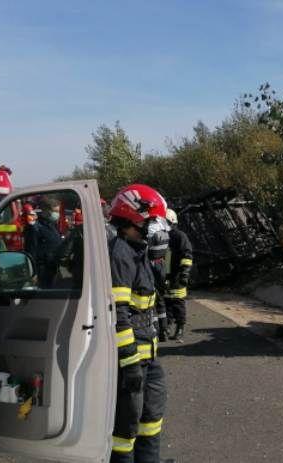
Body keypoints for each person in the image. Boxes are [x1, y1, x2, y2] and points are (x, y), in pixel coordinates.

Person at [108, 184, 169, 463]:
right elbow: (117, 314)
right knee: (126, 432)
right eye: (152, 219)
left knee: (151, 421)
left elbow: (151, 298)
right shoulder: (120, 254)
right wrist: (130, 363)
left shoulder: (139, 251)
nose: (156, 226)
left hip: (149, 356)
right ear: (133, 216)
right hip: (132, 361)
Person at [163, 209, 192, 341]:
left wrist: (184, 273)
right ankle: (167, 326)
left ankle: (180, 328)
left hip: (177, 276)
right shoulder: (162, 235)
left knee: (178, 303)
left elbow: (187, 255)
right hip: (165, 276)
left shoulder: (180, 236)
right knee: (166, 303)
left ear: (171, 221)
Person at [24, 198, 63, 287]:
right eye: (55, 211)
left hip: (53, 268)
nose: (57, 214)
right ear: (45, 210)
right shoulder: (35, 227)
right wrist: (33, 273)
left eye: (58, 211)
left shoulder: (52, 224)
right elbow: (31, 251)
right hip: (42, 270)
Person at [147, 218, 170, 342]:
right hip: (161, 264)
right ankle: (164, 330)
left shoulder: (150, 228)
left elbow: (146, 249)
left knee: (151, 300)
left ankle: (155, 329)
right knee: (160, 299)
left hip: (150, 266)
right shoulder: (163, 226)